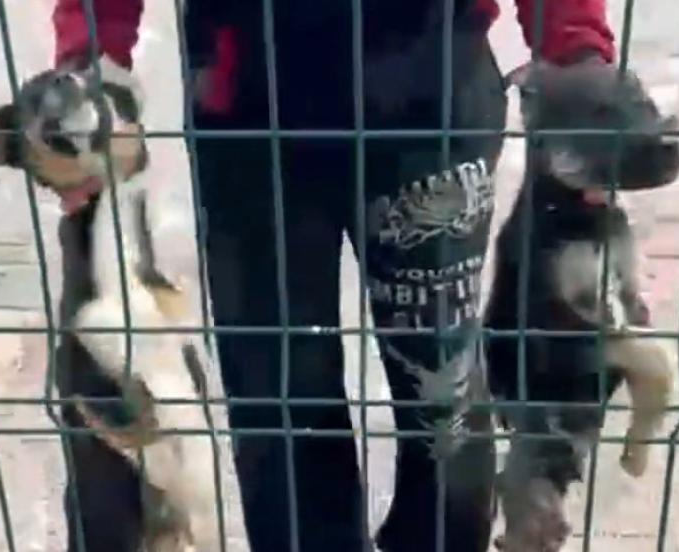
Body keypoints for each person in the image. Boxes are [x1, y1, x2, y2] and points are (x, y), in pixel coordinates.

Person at [51, 1, 616, 551]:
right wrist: (91, 66)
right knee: (280, 392)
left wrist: (578, 60)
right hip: (248, 90)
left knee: (440, 388)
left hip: (430, 79)